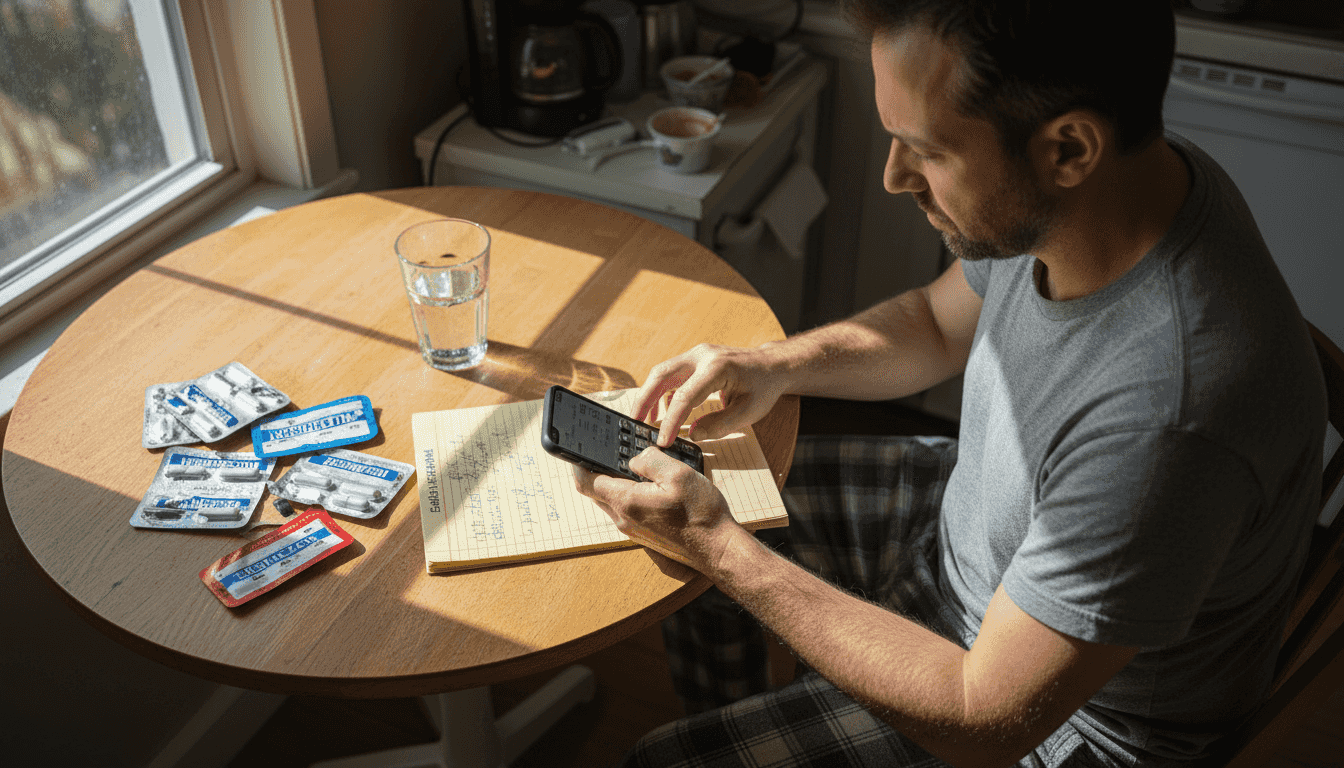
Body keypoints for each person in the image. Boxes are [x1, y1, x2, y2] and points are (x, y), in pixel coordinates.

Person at [574, 1, 1328, 765]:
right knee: (694, 528)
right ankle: (758, 712)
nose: (894, 176)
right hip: (971, 541)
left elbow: (983, 719)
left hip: (1058, 725)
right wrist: (772, 363)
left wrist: (719, 546)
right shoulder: (1107, 190)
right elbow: (938, 324)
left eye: (924, 150)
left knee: (663, 746)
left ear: (1069, 149)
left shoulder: (1169, 418)